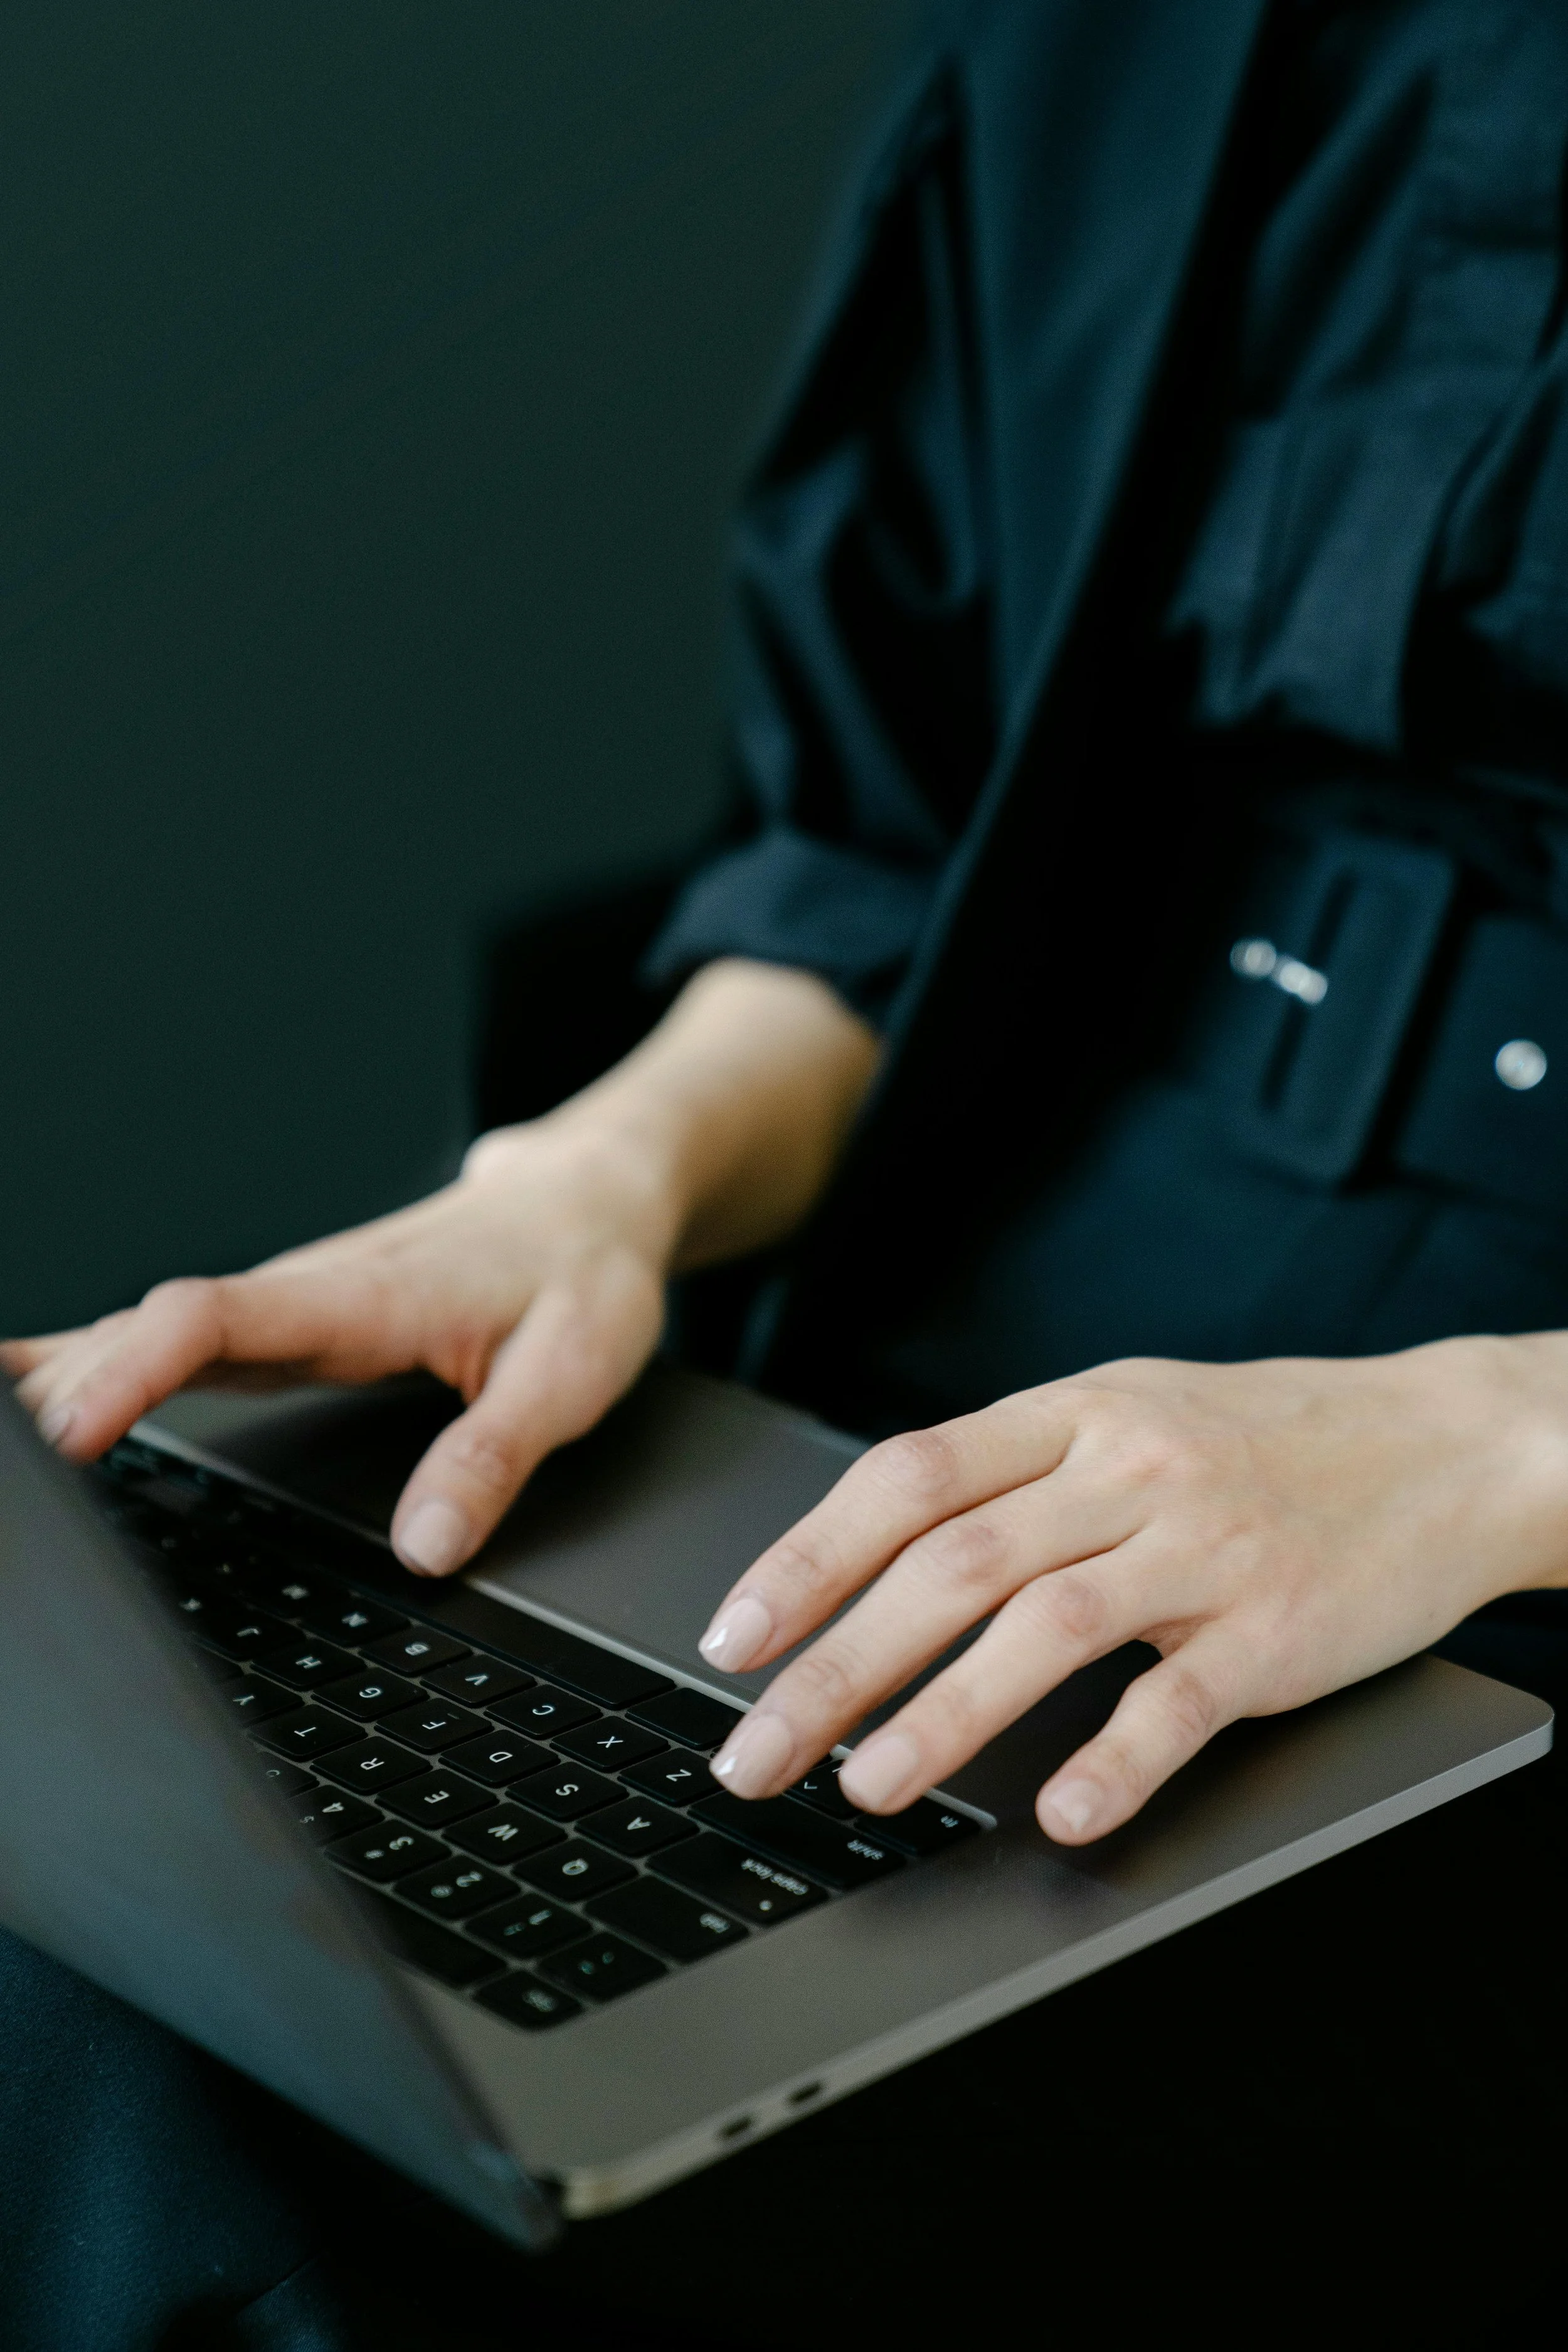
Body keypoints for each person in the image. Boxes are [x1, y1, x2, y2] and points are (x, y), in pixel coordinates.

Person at [9, 1, 1568, 2341]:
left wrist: (1499, 1440)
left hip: (1485, 1551)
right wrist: (592, 1175)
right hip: (927, 1387)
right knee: (146, 1972)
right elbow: (882, 851)